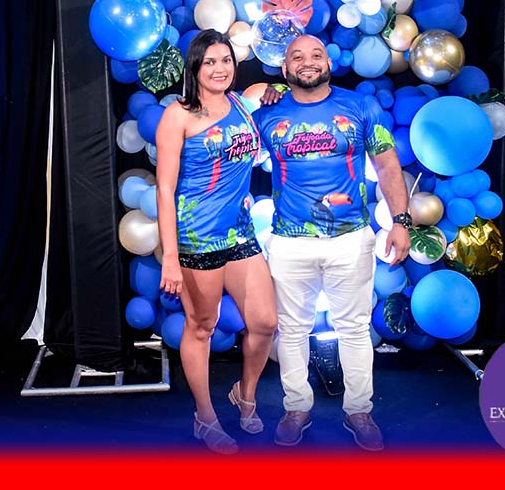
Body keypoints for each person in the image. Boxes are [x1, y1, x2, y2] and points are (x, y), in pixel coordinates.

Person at [253, 34, 412, 451]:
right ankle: (296, 408)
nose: (307, 62)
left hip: (350, 238)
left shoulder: (360, 106)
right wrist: (261, 93)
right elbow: (234, 156)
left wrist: (401, 221)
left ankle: (359, 410)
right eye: (297, 56)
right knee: (292, 330)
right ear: (285, 68)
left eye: (316, 54)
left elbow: (387, 165)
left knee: (354, 329)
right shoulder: (267, 114)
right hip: (290, 241)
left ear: (328, 62)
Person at [155, 29, 279, 455]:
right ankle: (204, 417)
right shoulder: (178, 116)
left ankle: (245, 393)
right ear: (195, 67)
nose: (219, 68)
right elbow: (164, 190)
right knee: (202, 327)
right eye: (209, 61)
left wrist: (277, 90)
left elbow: (275, 88)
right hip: (197, 239)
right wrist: (170, 258)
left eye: (226, 60)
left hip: (240, 232)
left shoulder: (244, 103)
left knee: (265, 323)